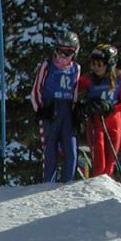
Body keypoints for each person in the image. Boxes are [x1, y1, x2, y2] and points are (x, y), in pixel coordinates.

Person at [30, 30, 81, 182]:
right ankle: (48, 183)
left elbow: (75, 92)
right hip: (51, 108)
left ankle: (68, 181)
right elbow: (35, 89)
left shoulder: (76, 68)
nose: (63, 56)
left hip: (67, 110)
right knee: (50, 146)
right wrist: (41, 109)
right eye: (60, 51)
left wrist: (76, 112)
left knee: (71, 148)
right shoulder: (47, 65)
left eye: (68, 52)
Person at [75, 44, 121, 177]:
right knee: (99, 162)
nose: (95, 67)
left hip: (113, 122)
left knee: (111, 160)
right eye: (93, 63)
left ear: (110, 64)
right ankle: (97, 185)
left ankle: (106, 188)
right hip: (96, 122)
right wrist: (85, 105)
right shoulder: (86, 80)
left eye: (99, 64)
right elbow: (77, 99)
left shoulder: (119, 78)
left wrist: (111, 108)